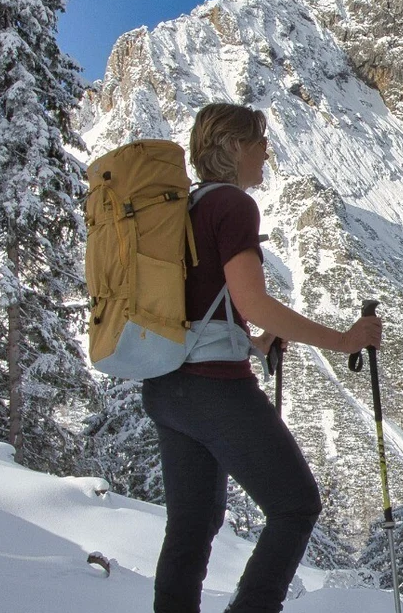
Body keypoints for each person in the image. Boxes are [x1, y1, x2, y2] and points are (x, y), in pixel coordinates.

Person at [142, 103, 383, 613]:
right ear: (233, 146)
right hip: (215, 389)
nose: (266, 152)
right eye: (259, 142)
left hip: (166, 387)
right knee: (296, 506)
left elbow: (196, 303)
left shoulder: (183, 206)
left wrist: (254, 342)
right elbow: (251, 301)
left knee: (191, 527)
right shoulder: (232, 205)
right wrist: (345, 340)